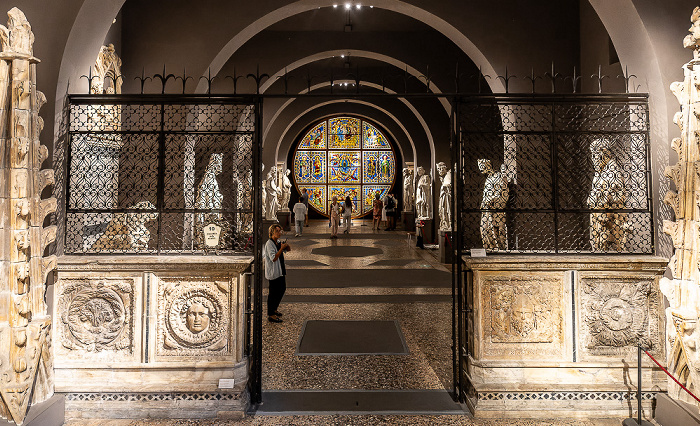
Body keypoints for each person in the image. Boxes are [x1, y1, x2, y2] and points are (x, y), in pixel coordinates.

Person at [263, 224, 290, 323]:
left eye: (280, 231)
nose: (279, 233)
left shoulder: (277, 242)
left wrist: (286, 246)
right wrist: (281, 249)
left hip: (280, 270)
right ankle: (271, 314)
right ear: (272, 233)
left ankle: (274, 308)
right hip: (273, 272)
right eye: (277, 231)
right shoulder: (269, 244)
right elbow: (273, 258)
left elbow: (287, 250)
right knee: (273, 293)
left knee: (282, 289)